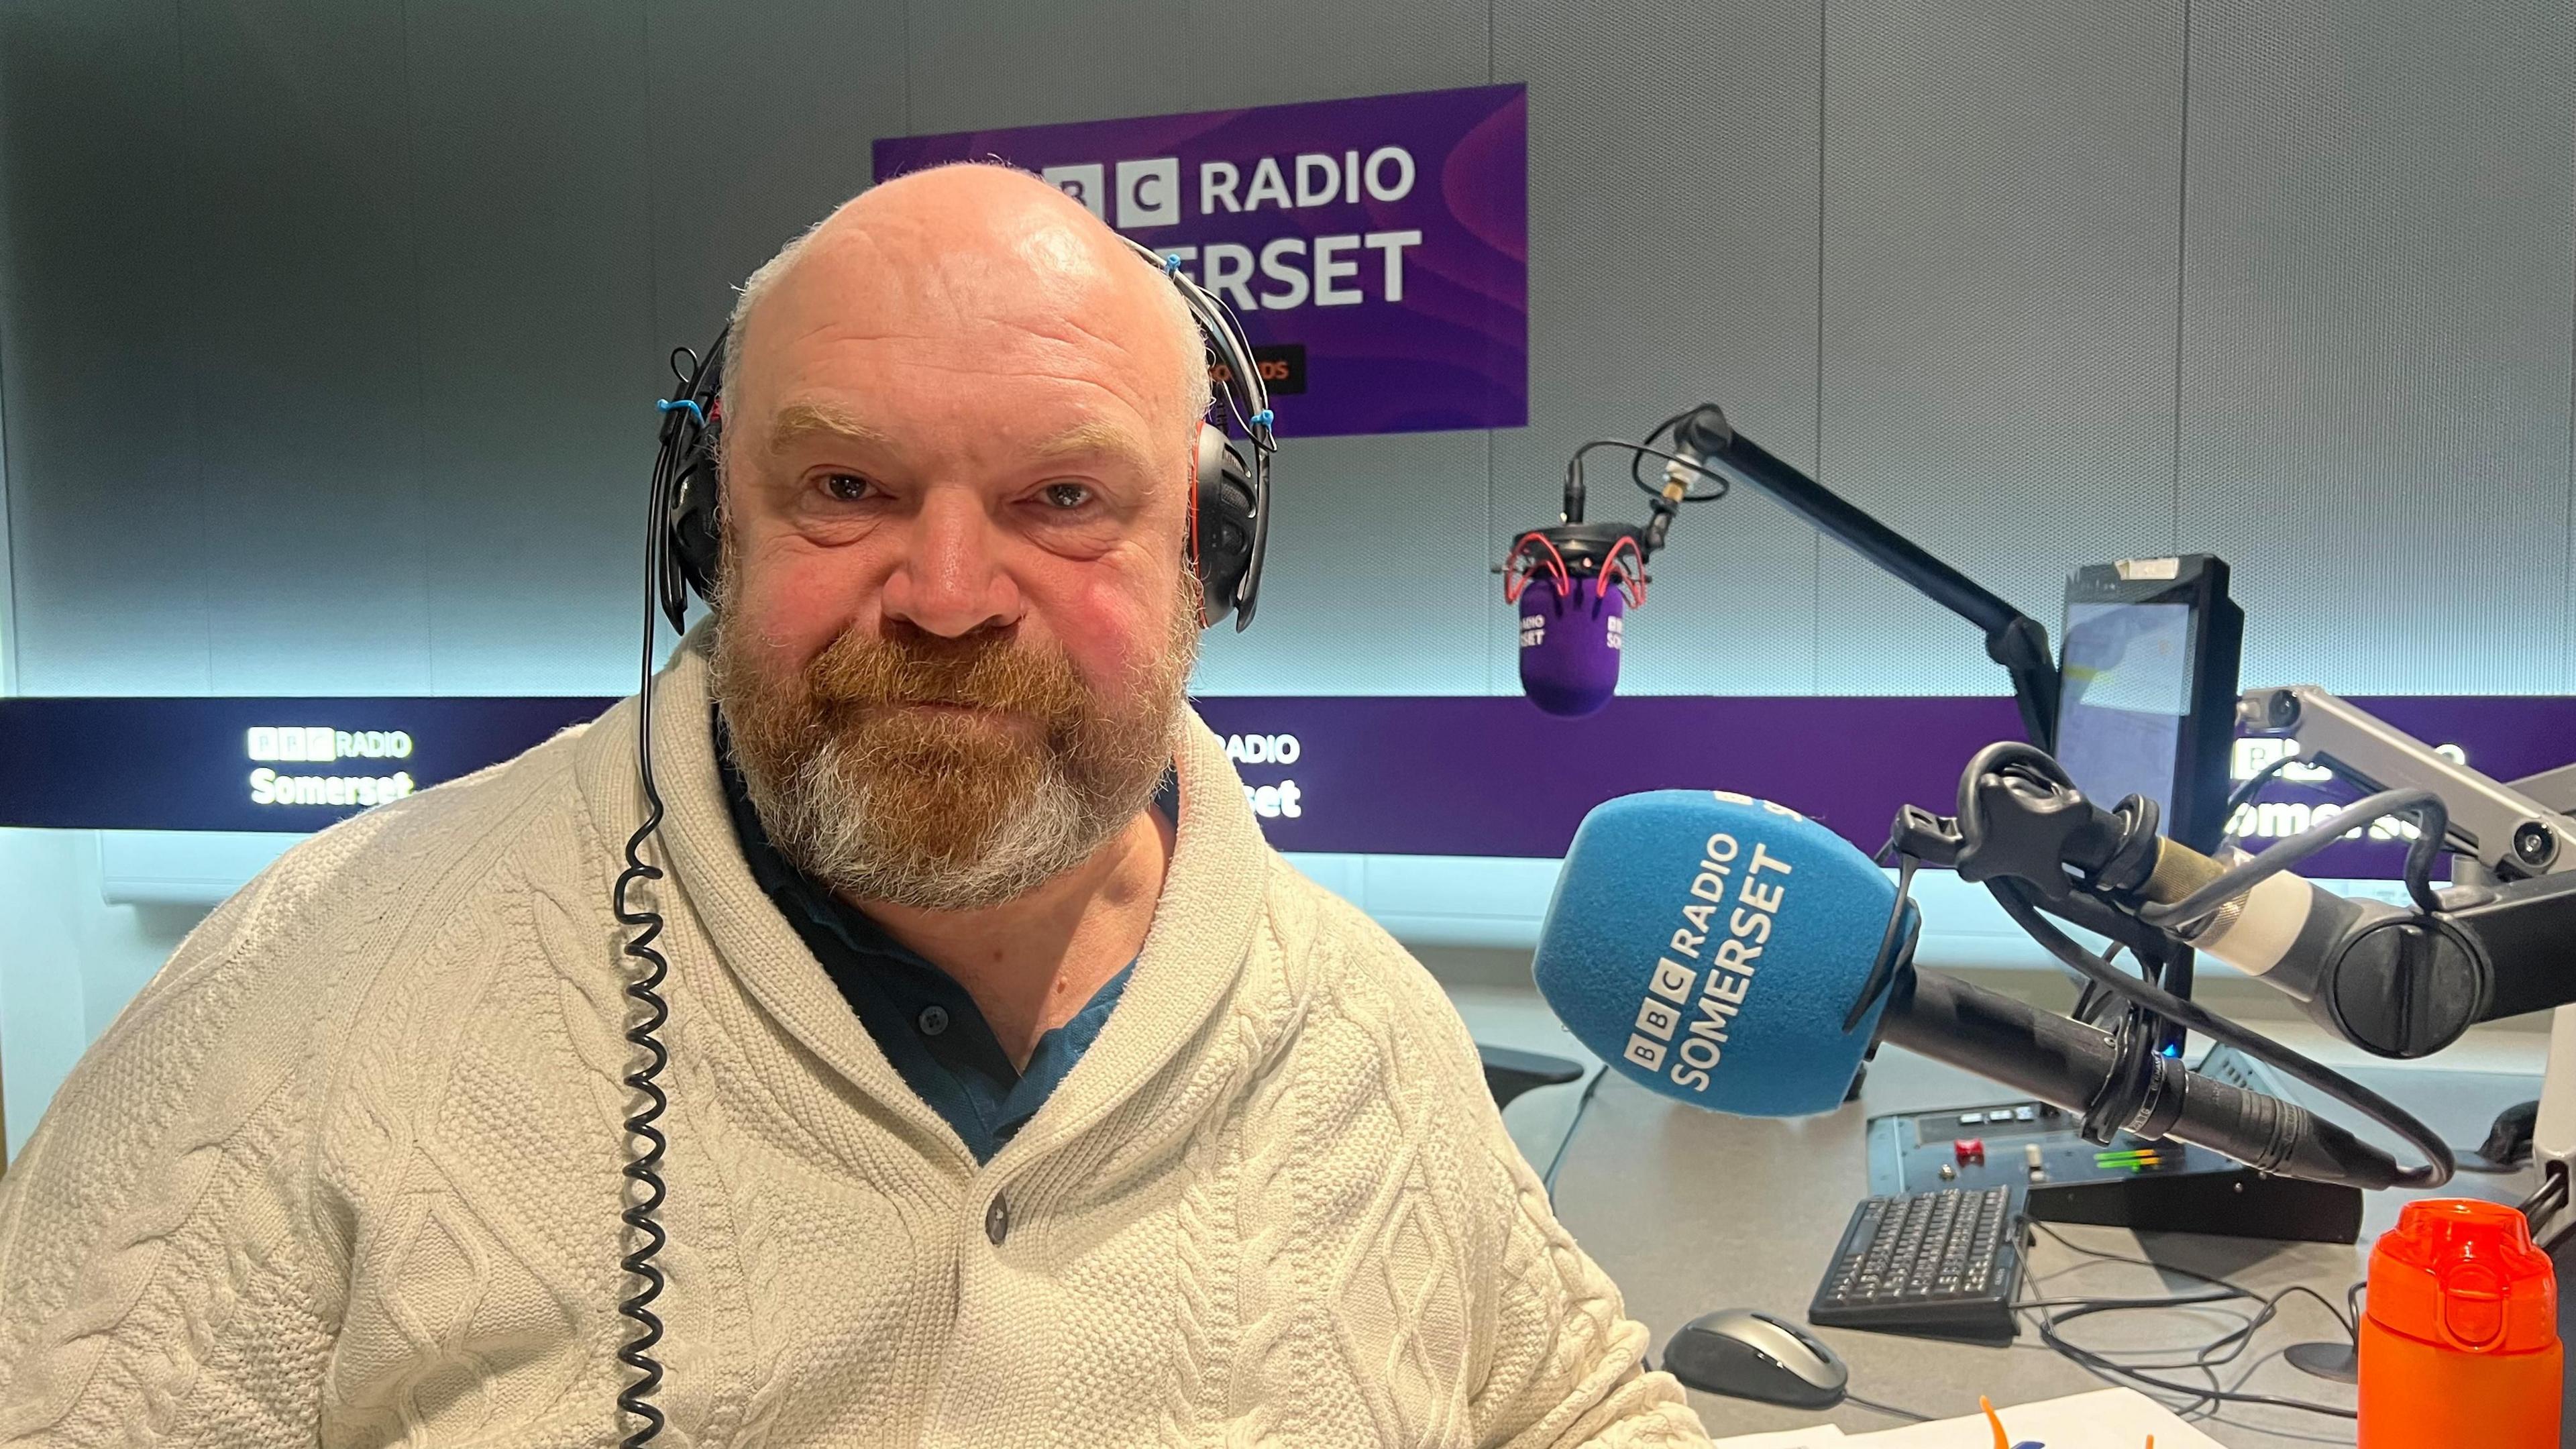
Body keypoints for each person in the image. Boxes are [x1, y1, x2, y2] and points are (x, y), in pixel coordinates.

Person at [0, 164, 1707, 1446]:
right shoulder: (314, 995)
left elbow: (1571, 1409)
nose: (950, 590)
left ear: (1212, 552)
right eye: (845, 487)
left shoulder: (1364, 1033)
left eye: (1060, 495)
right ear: (704, 529)